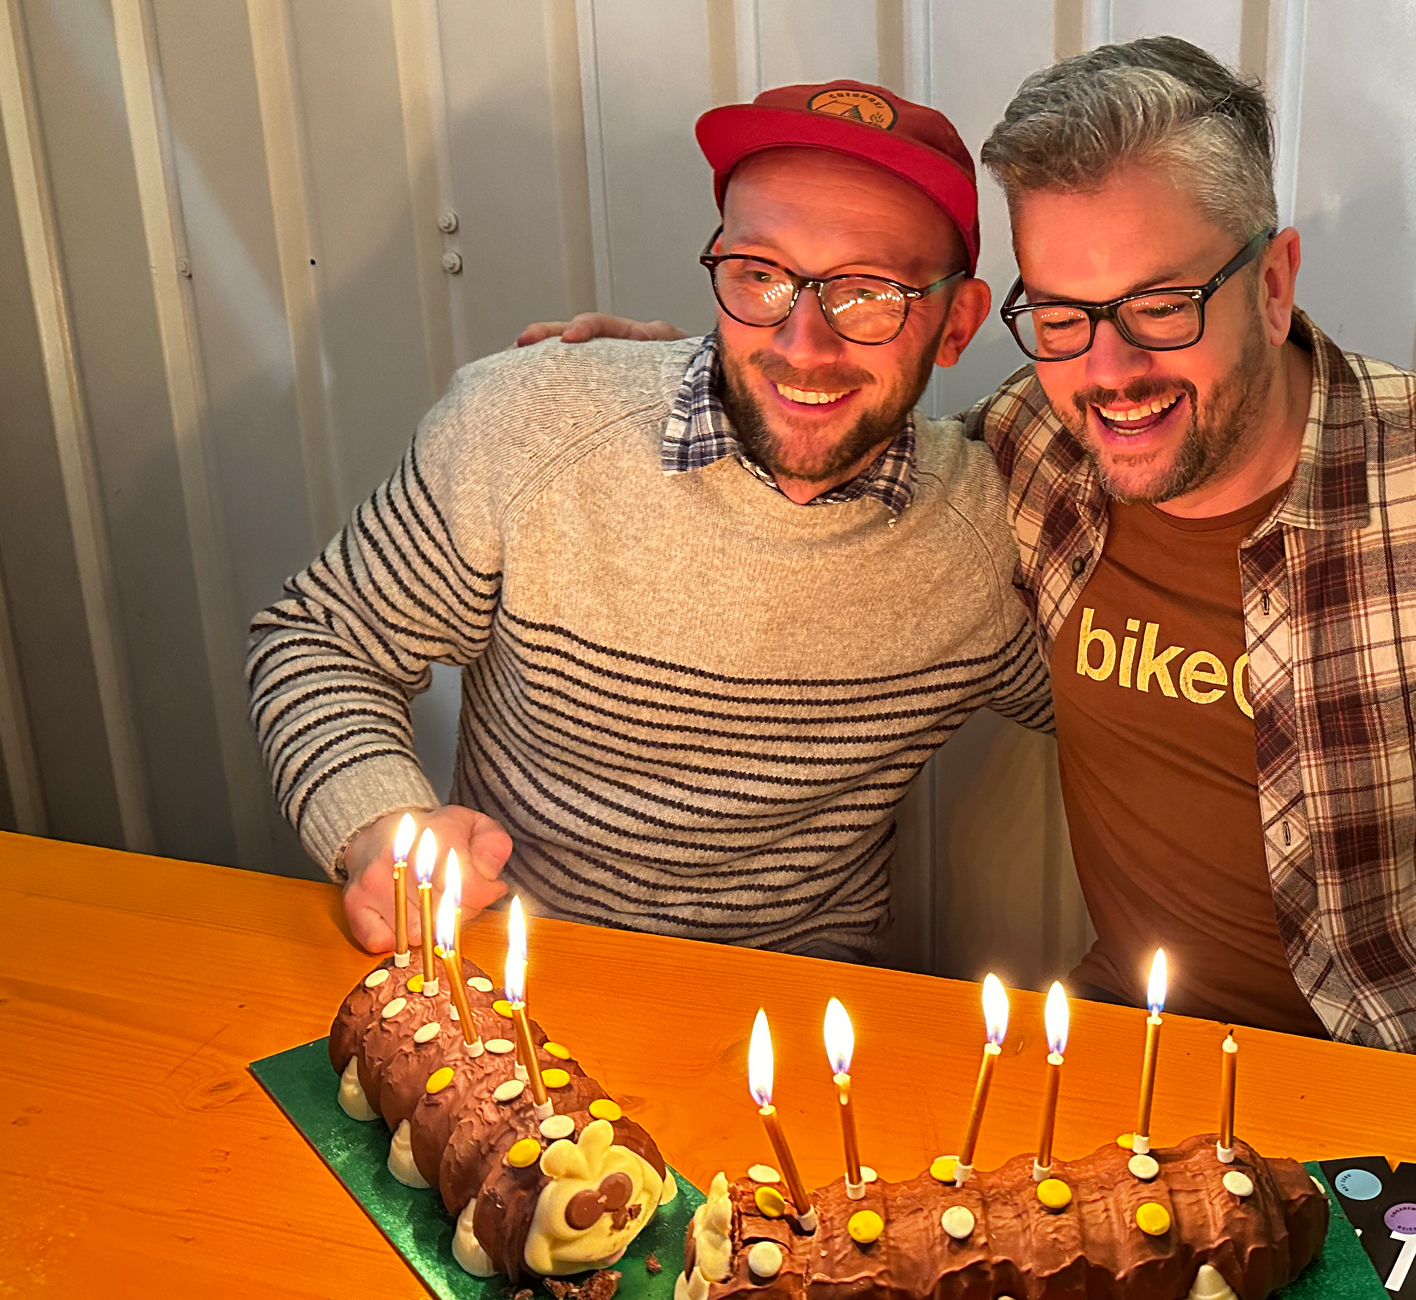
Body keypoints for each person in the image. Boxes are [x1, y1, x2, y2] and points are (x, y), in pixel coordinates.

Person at [521, 38, 1416, 1104]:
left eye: (1159, 304)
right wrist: (703, 371)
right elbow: (853, 436)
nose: (1111, 370)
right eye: (1062, 315)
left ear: (1272, 282)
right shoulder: (1025, 451)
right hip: (1139, 1088)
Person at [248, 81, 1048, 964]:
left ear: (957, 322)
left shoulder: (986, 535)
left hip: (798, 1013)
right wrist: (380, 825)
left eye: (868, 293)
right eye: (761, 274)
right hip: (513, 989)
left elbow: (1149, 715)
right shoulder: (531, 422)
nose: (802, 342)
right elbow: (324, 637)